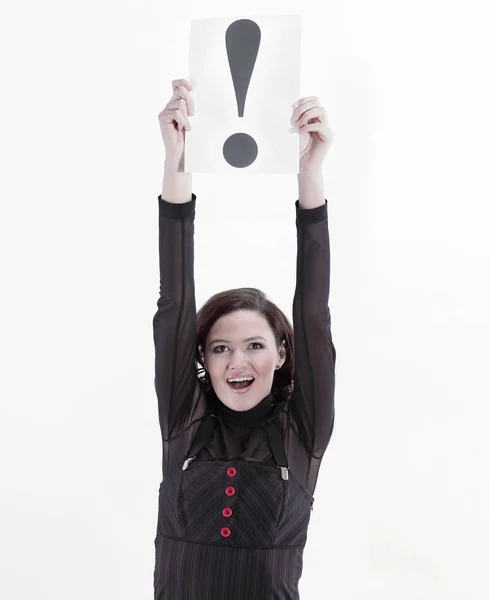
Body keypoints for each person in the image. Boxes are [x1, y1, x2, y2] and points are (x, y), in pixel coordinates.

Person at [152, 78, 336, 599]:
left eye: (255, 344)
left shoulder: (304, 430)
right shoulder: (182, 423)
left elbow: (314, 315)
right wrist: (176, 161)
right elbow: (175, 305)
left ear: (282, 353)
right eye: (220, 347)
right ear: (203, 360)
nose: (238, 360)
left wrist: (310, 174)